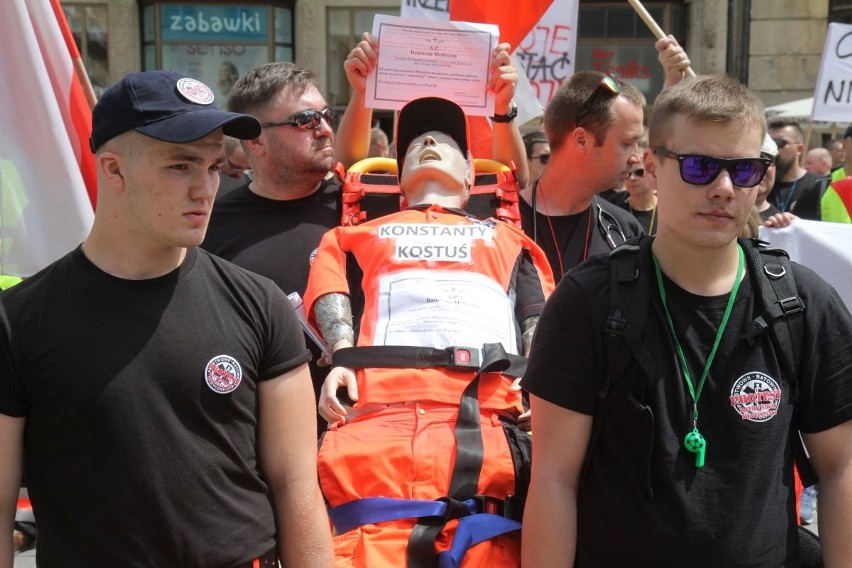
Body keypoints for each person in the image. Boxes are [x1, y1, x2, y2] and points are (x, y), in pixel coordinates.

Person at [0, 70, 334, 567]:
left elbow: (296, 484)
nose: (206, 189)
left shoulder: (259, 304)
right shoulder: (19, 321)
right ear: (113, 170)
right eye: (181, 166)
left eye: (214, 166)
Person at [521, 74, 852, 567]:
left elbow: (841, 468)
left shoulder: (803, 302)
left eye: (745, 170)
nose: (723, 188)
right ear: (652, 168)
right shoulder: (588, 301)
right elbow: (553, 479)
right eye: (699, 167)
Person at [304, 97, 554, 567]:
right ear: (398, 181)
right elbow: (331, 283)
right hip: (378, 425)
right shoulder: (350, 237)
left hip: (485, 425)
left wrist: (540, 388)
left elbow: (538, 315)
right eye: (415, 143)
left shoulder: (513, 242)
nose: (430, 143)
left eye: (445, 142)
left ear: (469, 177)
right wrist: (340, 356)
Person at [518, 71, 645, 281]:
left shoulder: (624, 232)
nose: (635, 158)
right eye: (627, 143)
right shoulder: (499, 223)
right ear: (581, 140)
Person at [767, 118, 823, 219]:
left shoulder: (817, 186)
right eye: (768, 143)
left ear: (799, 149)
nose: (773, 149)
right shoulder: (760, 184)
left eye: (779, 143)